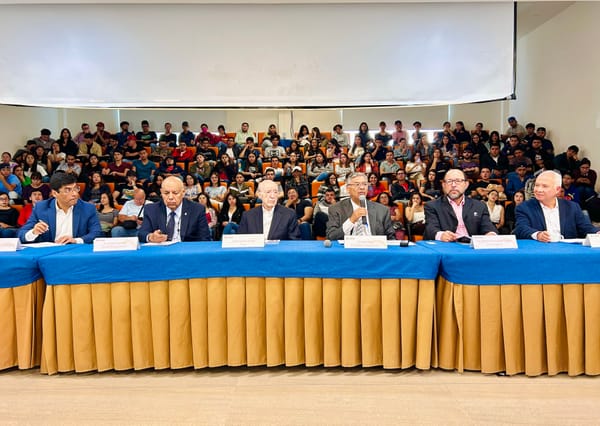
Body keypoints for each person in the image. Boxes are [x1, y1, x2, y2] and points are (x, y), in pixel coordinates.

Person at [514, 170, 599, 241]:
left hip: (567, 253)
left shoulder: (572, 207)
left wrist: (597, 233)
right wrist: (538, 235)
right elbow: (521, 228)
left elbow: (586, 228)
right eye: (537, 185)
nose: (539, 190)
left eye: (545, 186)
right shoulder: (524, 207)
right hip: (540, 252)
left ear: (557, 190)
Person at [19, 173, 103, 244]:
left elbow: (97, 233)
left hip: (76, 252)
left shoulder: (88, 208)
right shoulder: (41, 208)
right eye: (68, 190)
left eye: (75, 188)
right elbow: (21, 234)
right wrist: (33, 232)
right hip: (50, 255)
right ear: (55, 193)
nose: (75, 194)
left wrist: (76, 240)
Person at [423, 169, 498, 241]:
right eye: (449, 181)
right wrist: (441, 235)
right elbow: (430, 228)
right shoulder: (432, 206)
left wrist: (491, 234)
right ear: (443, 185)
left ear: (466, 184)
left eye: (458, 181)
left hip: (471, 249)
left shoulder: (479, 206)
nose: (453, 185)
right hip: (447, 247)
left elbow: (488, 227)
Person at [138, 176, 211, 242]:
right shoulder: (151, 209)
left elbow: (205, 238)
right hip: (161, 253)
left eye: (175, 193)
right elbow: (142, 233)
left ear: (183, 193)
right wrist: (151, 237)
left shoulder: (197, 209)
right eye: (166, 193)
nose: (170, 197)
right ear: (161, 193)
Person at [326, 172, 395, 240]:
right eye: (357, 184)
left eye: (365, 184)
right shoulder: (336, 209)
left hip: (374, 249)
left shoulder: (382, 210)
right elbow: (331, 236)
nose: (362, 187)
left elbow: (391, 237)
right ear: (348, 188)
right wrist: (351, 221)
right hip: (348, 250)